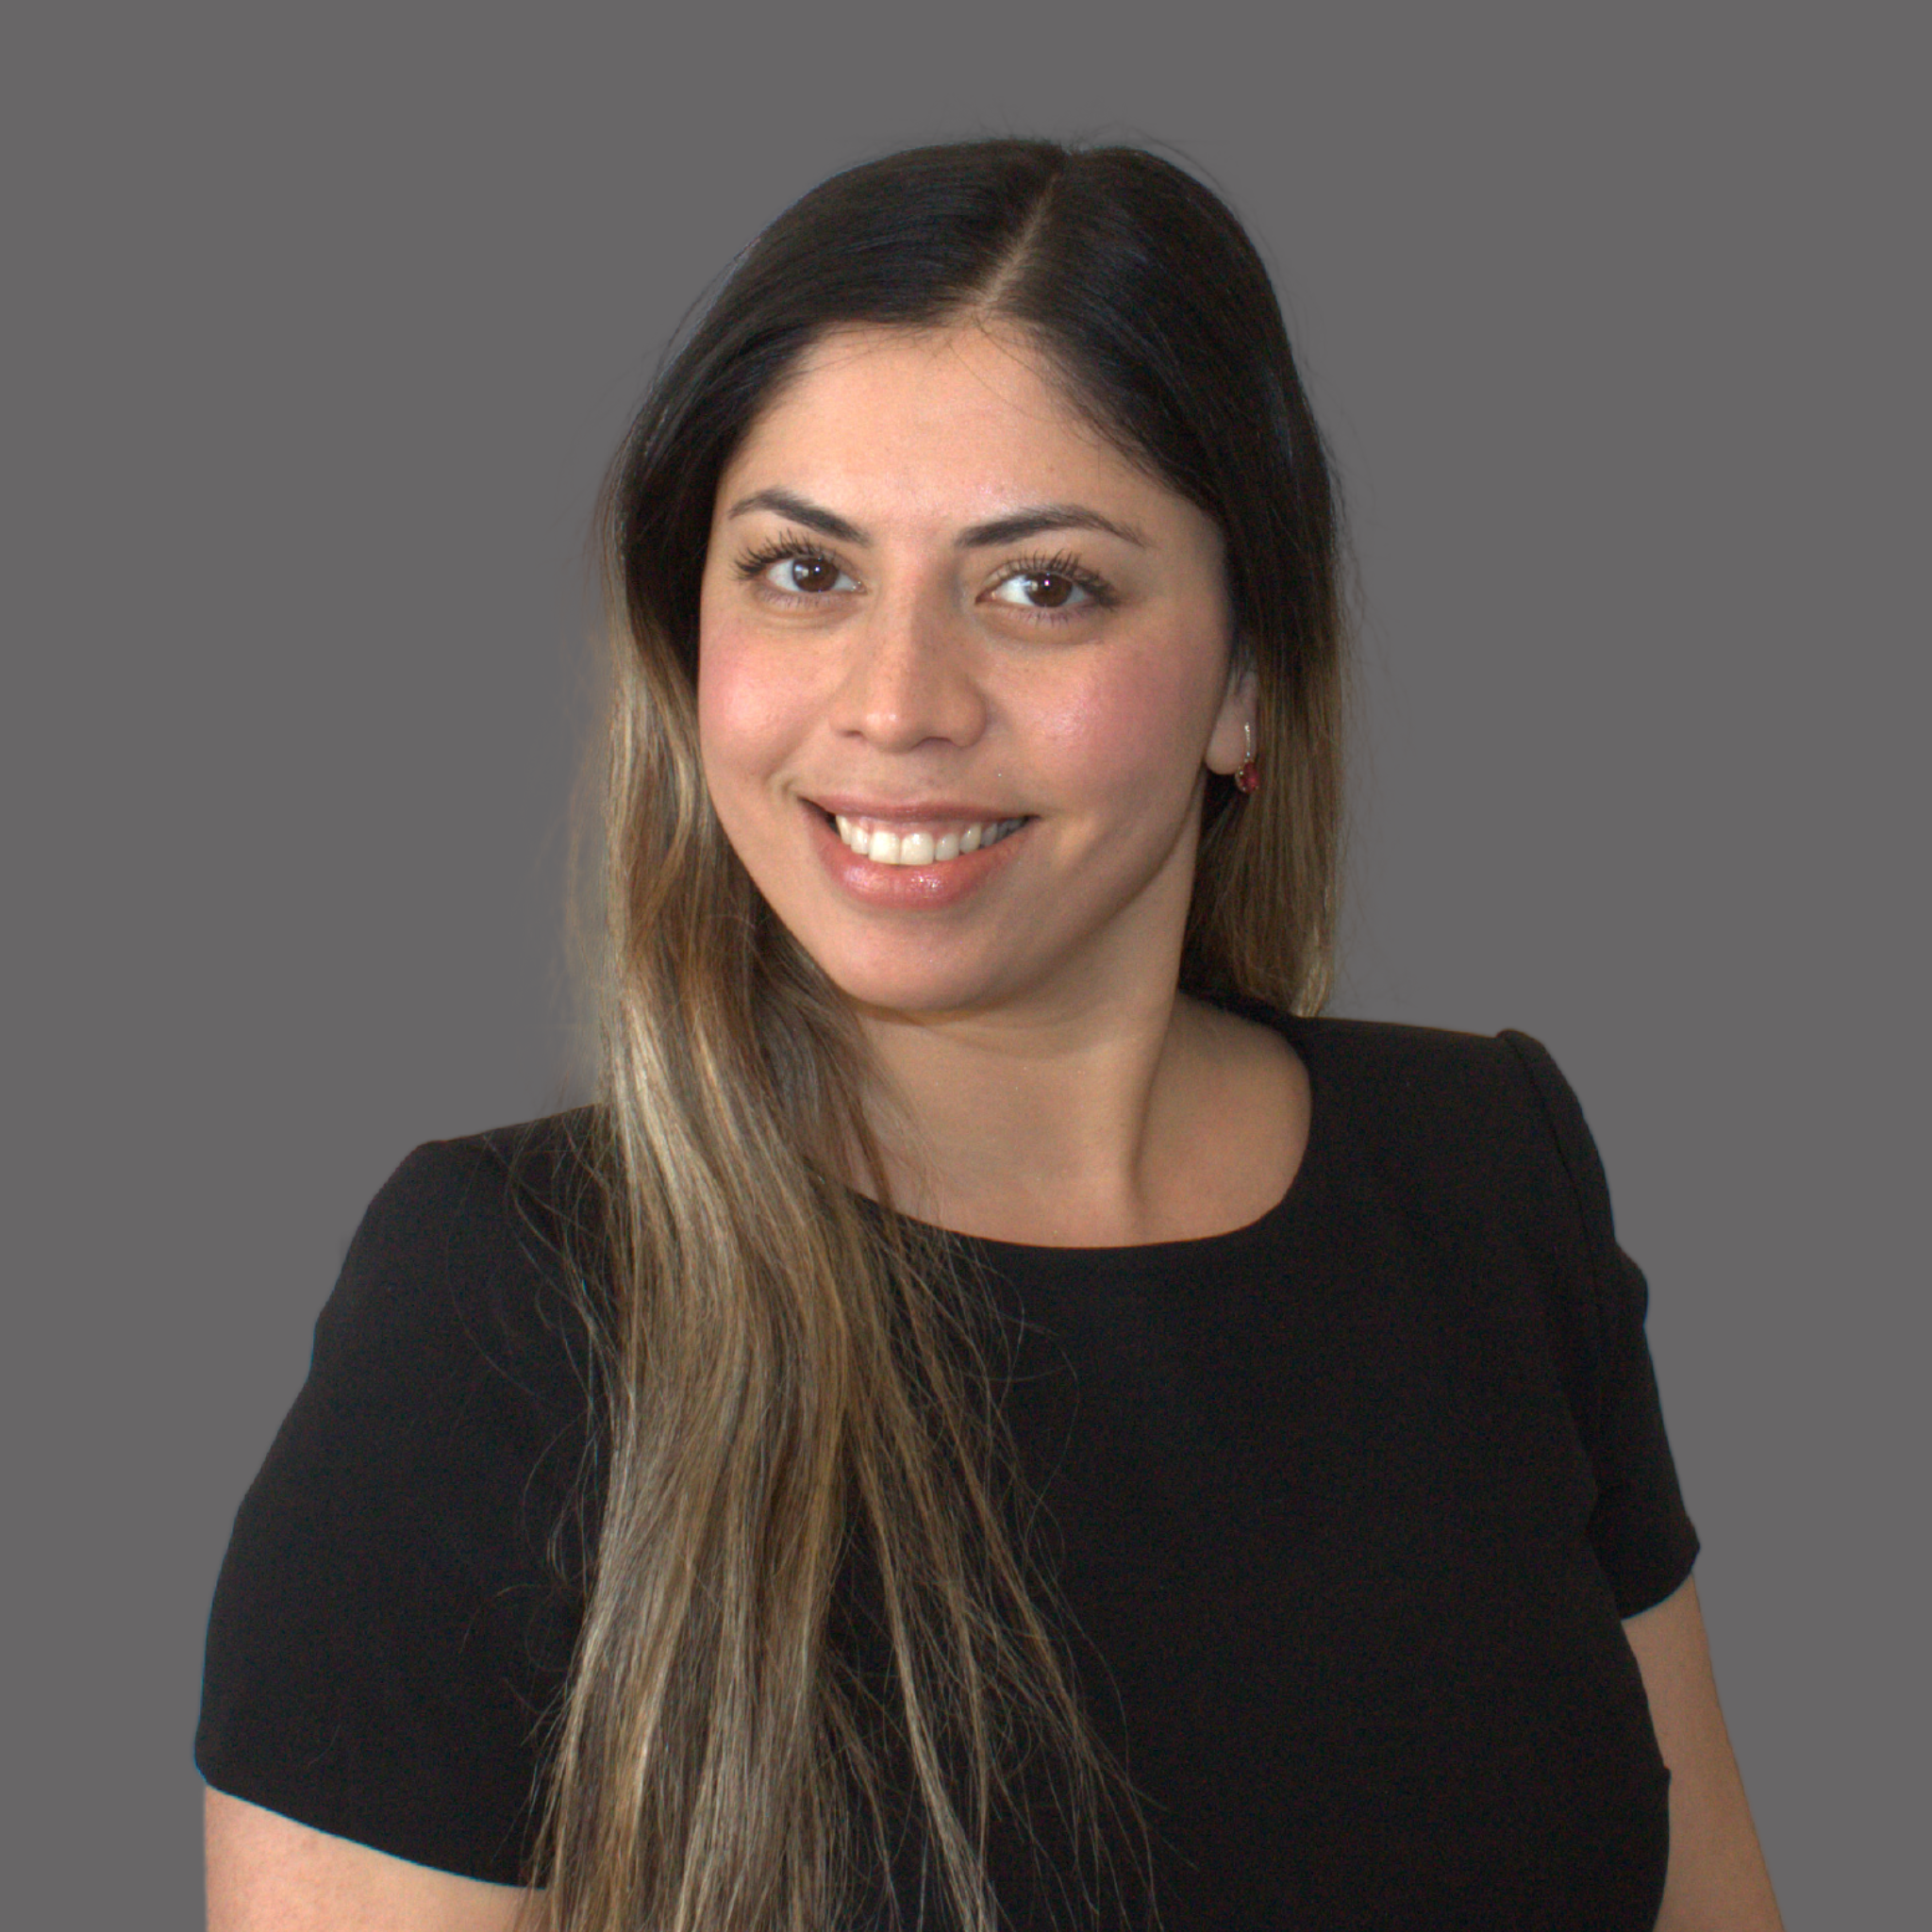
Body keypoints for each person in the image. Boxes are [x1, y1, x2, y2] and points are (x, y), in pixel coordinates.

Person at [196, 139, 1784, 1932]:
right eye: (803, 572)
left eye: (1044, 587)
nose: (897, 705)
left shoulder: (1491, 1179)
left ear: (1247, 680)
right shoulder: (507, 1306)